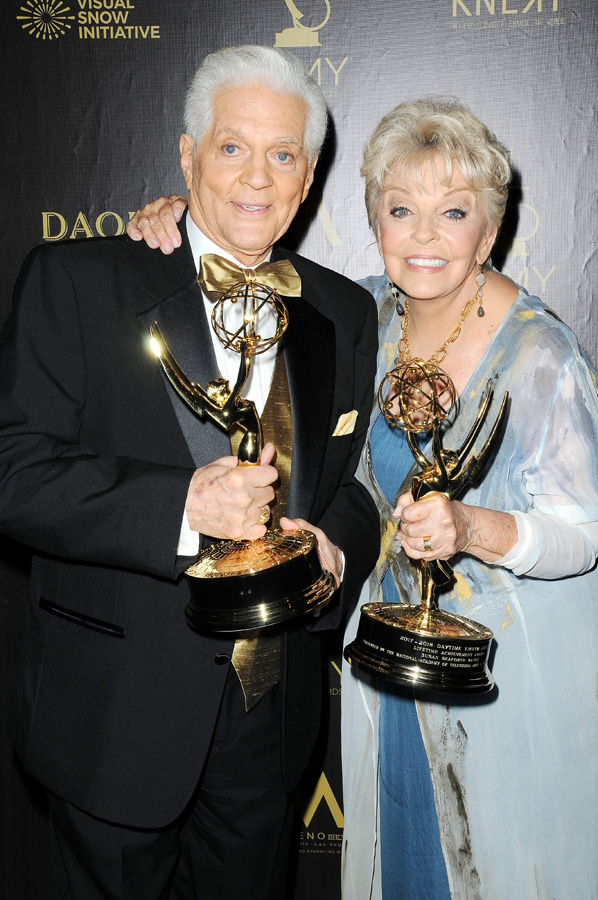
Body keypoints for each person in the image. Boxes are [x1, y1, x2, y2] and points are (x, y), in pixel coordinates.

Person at [130, 97, 598, 899]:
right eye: (400, 209)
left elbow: (585, 533)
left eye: (453, 213)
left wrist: (472, 527)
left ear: (489, 232)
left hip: (504, 683)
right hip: (386, 663)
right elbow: (233, 276)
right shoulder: (361, 317)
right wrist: (173, 222)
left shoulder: (539, 354)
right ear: (374, 220)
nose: (423, 236)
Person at [0, 45, 379, 900]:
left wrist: (336, 550)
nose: (256, 177)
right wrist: (181, 505)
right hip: (114, 715)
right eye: (231, 147)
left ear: (309, 174)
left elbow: (357, 484)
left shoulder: (344, 311)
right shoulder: (79, 279)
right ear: (185, 154)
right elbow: (14, 472)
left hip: (270, 720)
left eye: (282, 154)